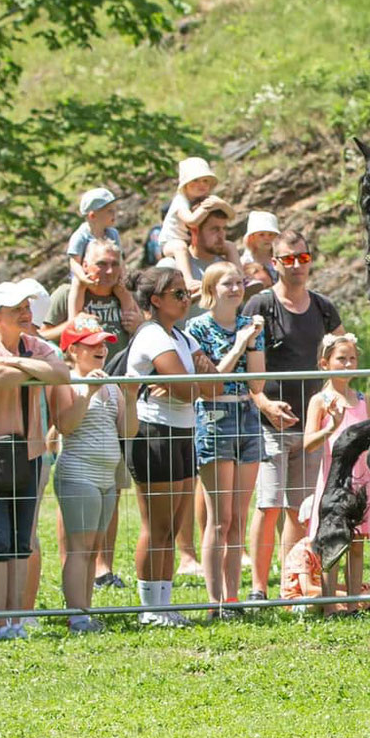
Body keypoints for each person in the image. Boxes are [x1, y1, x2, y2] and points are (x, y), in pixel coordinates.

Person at [0, 281, 72, 640]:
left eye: (27, 307)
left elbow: (61, 373)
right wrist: (33, 369)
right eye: (16, 310)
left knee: (22, 540)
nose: (26, 314)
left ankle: (16, 619)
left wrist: (19, 362)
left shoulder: (34, 345)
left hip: (30, 451)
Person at [183, 261, 294, 614]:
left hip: (246, 415)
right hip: (214, 415)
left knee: (238, 517)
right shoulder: (196, 327)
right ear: (211, 289)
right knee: (220, 517)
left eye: (239, 283)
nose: (235, 288)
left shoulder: (251, 327)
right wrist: (240, 345)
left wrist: (249, 343)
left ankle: (233, 598)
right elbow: (210, 382)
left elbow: (257, 383)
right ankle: (215, 600)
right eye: (227, 283)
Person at [245, 229, 340, 600]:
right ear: (274, 263)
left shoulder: (322, 307)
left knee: (300, 510)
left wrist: (334, 400)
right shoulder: (261, 306)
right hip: (270, 424)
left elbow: (342, 353)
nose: (297, 266)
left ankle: (292, 584)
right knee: (268, 505)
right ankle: (256, 588)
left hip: (311, 426)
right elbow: (247, 367)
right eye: (288, 259)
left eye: (303, 258)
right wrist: (264, 404)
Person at [125, 266, 213, 627]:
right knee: (157, 525)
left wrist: (191, 381)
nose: (186, 298)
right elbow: (191, 388)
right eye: (178, 294)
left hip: (182, 431)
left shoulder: (180, 336)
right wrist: (192, 381)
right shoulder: (152, 336)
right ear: (156, 301)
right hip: (154, 434)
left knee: (175, 523)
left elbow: (214, 385)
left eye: (185, 292)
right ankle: (150, 608)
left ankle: (165, 604)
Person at [49, 315, 128, 634]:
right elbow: (65, 426)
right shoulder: (67, 381)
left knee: (94, 548)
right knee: (79, 547)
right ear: (73, 350)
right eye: (92, 344)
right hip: (77, 473)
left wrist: (132, 398)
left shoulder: (110, 383)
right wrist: (88, 392)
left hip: (107, 477)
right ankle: (77, 616)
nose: (101, 349)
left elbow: (127, 430)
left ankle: (86, 610)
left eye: (103, 343)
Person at [304, 332, 370, 612]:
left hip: (361, 480)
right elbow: (308, 443)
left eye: (352, 359)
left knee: (357, 544)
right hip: (334, 481)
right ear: (325, 364)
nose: (348, 364)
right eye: (341, 359)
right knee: (333, 542)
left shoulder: (363, 399)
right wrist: (330, 427)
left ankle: (352, 604)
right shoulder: (320, 401)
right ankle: (329, 605)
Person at [42, 239, 143, 344]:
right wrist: (72, 324)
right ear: (85, 266)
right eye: (102, 264)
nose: (109, 271)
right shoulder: (66, 294)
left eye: (114, 264)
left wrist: (140, 325)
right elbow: (40, 336)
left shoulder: (127, 294)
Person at [158, 157, 218, 274]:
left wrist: (221, 204)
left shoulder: (203, 199)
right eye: (195, 180)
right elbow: (191, 221)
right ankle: (187, 280)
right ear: (185, 185)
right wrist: (205, 207)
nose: (201, 184)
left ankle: (241, 278)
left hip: (192, 243)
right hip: (171, 242)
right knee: (180, 248)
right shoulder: (180, 201)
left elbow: (231, 215)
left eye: (205, 181)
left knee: (227, 246)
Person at [180, 196, 237, 283]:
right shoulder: (175, 267)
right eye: (215, 229)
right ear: (195, 231)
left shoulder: (229, 266)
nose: (222, 235)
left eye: (224, 228)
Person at [240, 210, 280, 297]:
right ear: (251, 237)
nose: (267, 238)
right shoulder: (244, 262)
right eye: (261, 235)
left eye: (271, 234)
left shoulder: (280, 259)